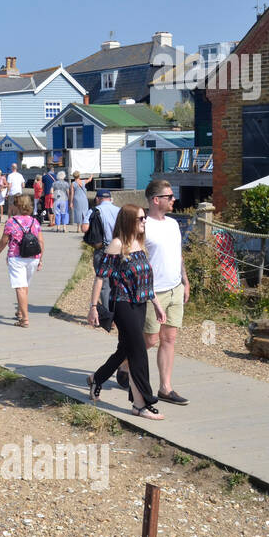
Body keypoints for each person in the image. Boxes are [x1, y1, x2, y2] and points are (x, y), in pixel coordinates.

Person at [87, 204, 166, 420]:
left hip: (140, 304)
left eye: (144, 218)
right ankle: (141, 404)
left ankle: (97, 378)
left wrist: (157, 305)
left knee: (125, 350)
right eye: (140, 219)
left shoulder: (139, 243)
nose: (144, 222)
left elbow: (146, 282)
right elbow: (100, 276)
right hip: (123, 304)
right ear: (129, 221)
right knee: (138, 352)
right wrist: (93, 307)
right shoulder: (117, 244)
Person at [118, 179, 190, 406]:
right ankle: (123, 364)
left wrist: (186, 281)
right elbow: (132, 256)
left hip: (175, 287)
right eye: (170, 197)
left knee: (170, 338)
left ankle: (166, 388)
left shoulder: (173, 224)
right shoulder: (143, 225)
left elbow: (178, 255)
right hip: (152, 292)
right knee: (149, 339)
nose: (174, 200)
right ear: (156, 200)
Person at [0, 194, 43, 328]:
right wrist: (40, 258)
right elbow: (41, 241)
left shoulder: (11, 222)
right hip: (33, 257)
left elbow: (4, 240)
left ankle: (25, 319)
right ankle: (20, 311)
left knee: (20, 287)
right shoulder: (34, 222)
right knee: (24, 286)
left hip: (16, 257)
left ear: (17, 206)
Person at [85, 190, 120, 313]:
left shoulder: (94, 211)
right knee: (117, 281)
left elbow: (85, 228)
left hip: (103, 248)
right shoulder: (119, 210)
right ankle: (118, 312)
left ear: (97, 199)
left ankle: (107, 314)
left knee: (104, 283)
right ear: (110, 199)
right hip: (119, 248)